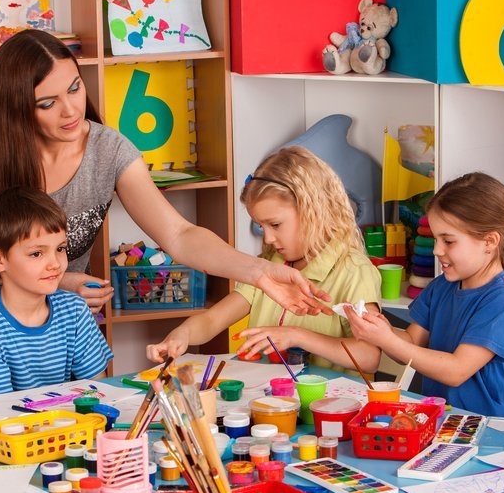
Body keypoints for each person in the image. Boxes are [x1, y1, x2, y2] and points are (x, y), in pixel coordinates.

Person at [0, 29, 329, 350]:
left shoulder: (108, 150)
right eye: (46, 103)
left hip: (58, 341)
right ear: (15, 108)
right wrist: (61, 283)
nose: (70, 110)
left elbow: (180, 235)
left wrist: (259, 272)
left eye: (74, 88)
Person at [147, 146, 382, 373]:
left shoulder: (353, 271)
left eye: (275, 224)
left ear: (314, 210)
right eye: (261, 226)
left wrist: (297, 335)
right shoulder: (269, 268)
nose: (268, 238)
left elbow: (369, 357)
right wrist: (183, 334)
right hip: (268, 404)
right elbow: (212, 321)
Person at [345, 172, 504, 422]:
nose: (437, 250)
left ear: (489, 241)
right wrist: (379, 329)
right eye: (435, 239)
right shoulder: (443, 286)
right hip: (440, 423)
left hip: (483, 430)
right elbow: (411, 342)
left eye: (448, 241)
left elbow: (456, 371)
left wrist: (388, 340)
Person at [0, 187, 112, 397]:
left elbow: (99, 391)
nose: (55, 263)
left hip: (53, 423)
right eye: (36, 253)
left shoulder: (74, 310)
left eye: (60, 249)